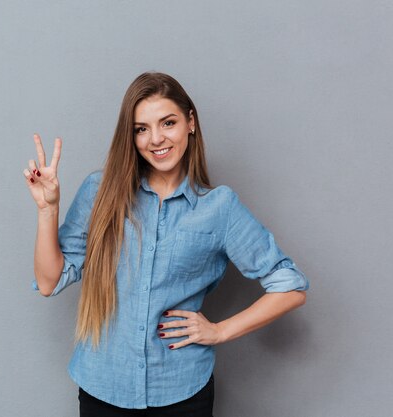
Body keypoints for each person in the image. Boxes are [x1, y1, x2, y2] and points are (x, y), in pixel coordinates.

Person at [22, 71, 309, 417]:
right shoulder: (100, 192)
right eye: (141, 129)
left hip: (182, 394)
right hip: (102, 389)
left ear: (190, 122)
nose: (156, 139)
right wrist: (47, 209)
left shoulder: (218, 208)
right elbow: (49, 281)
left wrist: (219, 331)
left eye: (168, 123)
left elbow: (290, 287)